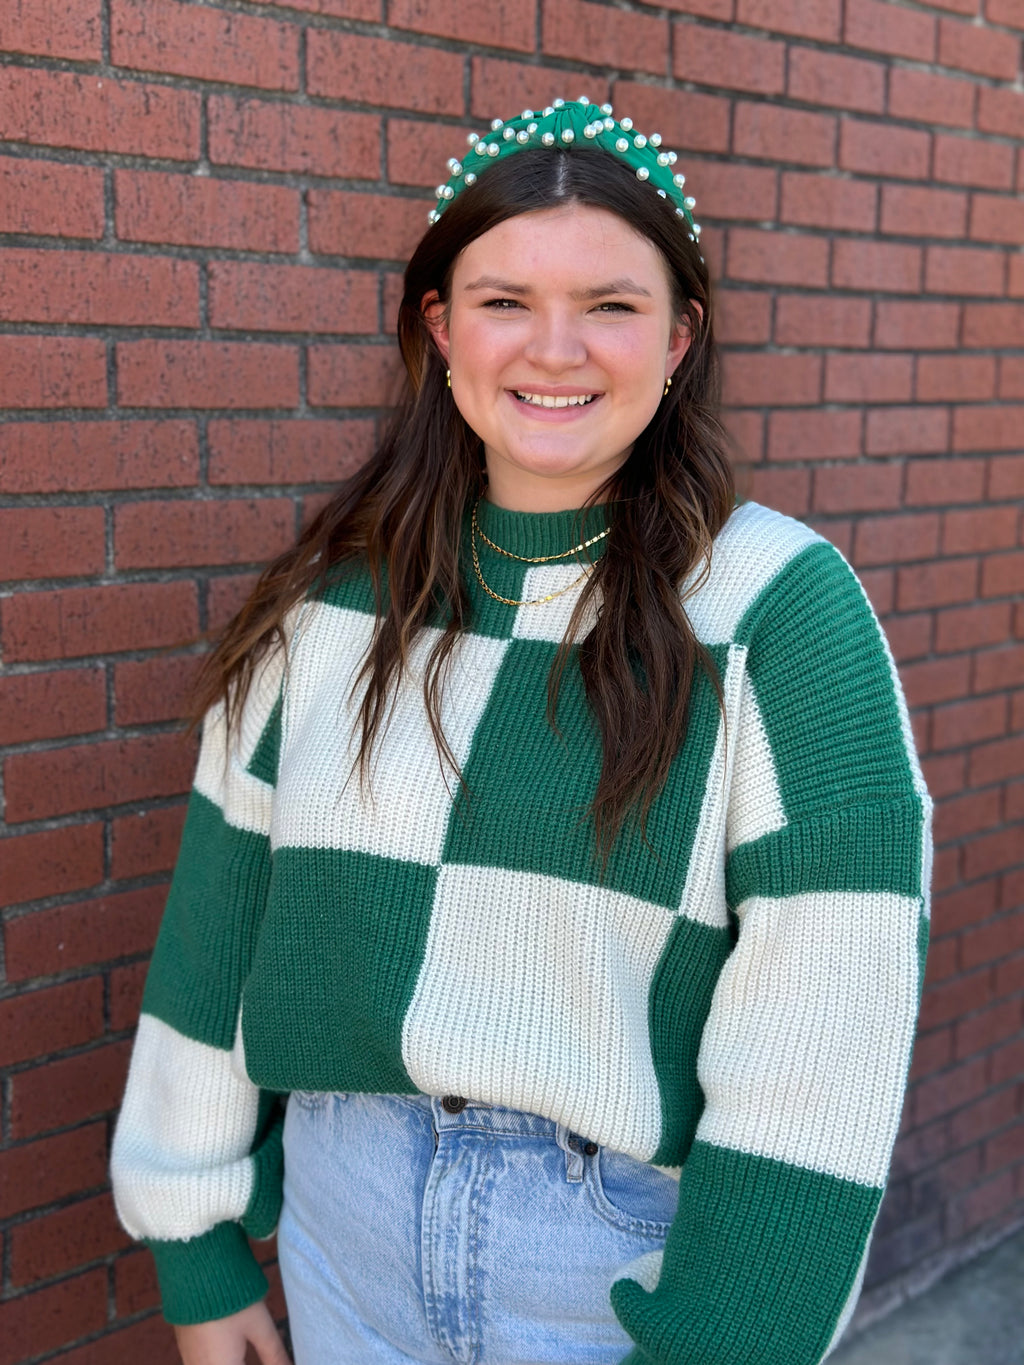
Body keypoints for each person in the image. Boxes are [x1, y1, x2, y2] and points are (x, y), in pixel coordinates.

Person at [111, 96, 932, 1365]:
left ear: (678, 339)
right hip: (344, 1223)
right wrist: (196, 1244)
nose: (555, 350)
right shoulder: (334, 598)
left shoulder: (779, 609)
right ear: (440, 328)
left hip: (611, 1259)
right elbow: (221, 923)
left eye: (611, 304)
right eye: (504, 300)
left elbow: (823, 1039)